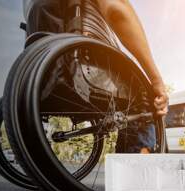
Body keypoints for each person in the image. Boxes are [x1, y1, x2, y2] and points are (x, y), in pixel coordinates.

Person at [22, 0, 168, 153]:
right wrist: (156, 80)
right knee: (145, 98)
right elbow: (116, 9)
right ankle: (135, 170)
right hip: (78, 61)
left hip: (41, 73)